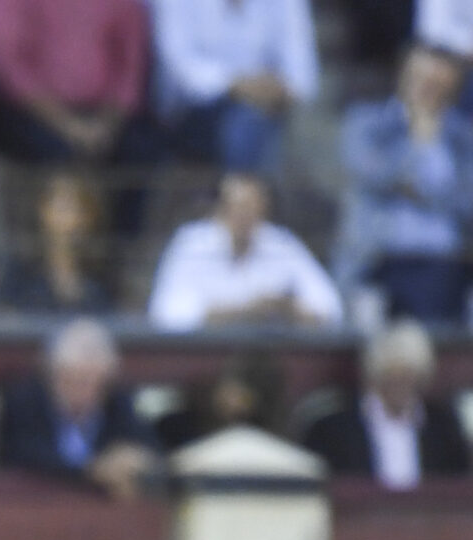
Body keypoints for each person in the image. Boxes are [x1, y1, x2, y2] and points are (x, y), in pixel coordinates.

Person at [339, 41, 473, 327]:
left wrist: (426, 147)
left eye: (438, 84)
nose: (428, 90)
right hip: (376, 258)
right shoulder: (366, 122)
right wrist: (418, 143)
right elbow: (371, 173)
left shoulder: (464, 139)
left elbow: (468, 204)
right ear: (404, 76)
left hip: (442, 264)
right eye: (422, 80)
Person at [147, 170, 342, 329]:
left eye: (253, 210)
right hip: (202, 359)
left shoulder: (282, 243)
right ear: (221, 210)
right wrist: (242, 312)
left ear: (264, 211)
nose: (245, 218)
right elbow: (166, 314)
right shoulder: (191, 243)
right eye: (238, 209)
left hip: (269, 358)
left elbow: (331, 308)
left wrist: (288, 308)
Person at [0, 0, 158, 170]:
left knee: (143, 150)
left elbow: (131, 66)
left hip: (103, 114)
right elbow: (10, 68)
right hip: (29, 111)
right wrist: (72, 128)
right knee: (55, 152)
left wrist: (107, 123)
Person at [151, 0, 317, 178]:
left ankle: (242, 197)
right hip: (187, 110)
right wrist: (236, 85)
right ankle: (243, 195)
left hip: (263, 106)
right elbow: (180, 67)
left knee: (250, 120)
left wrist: (277, 89)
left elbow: (302, 75)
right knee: (244, 126)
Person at [0, 316, 159, 498]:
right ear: (54, 374)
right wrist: (93, 470)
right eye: (77, 380)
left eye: (94, 382)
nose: (87, 390)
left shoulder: (116, 401)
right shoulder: (26, 401)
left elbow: (148, 446)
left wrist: (137, 459)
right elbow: (25, 457)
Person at [299, 318, 471, 486]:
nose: (400, 387)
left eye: (408, 377)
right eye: (391, 378)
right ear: (375, 377)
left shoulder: (443, 428)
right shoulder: (333, 430)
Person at [0, 170, 114, 314]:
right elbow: (3, 320)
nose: (74, 220)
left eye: (81, 210)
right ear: (43, 211)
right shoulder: (21, 269)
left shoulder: (102, 275)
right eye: (65, 208)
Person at [151, 347, 285, 450]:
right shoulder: (177, 425)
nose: (234, 402)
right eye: (230, 390)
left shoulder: (269, 435)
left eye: (245, 397)